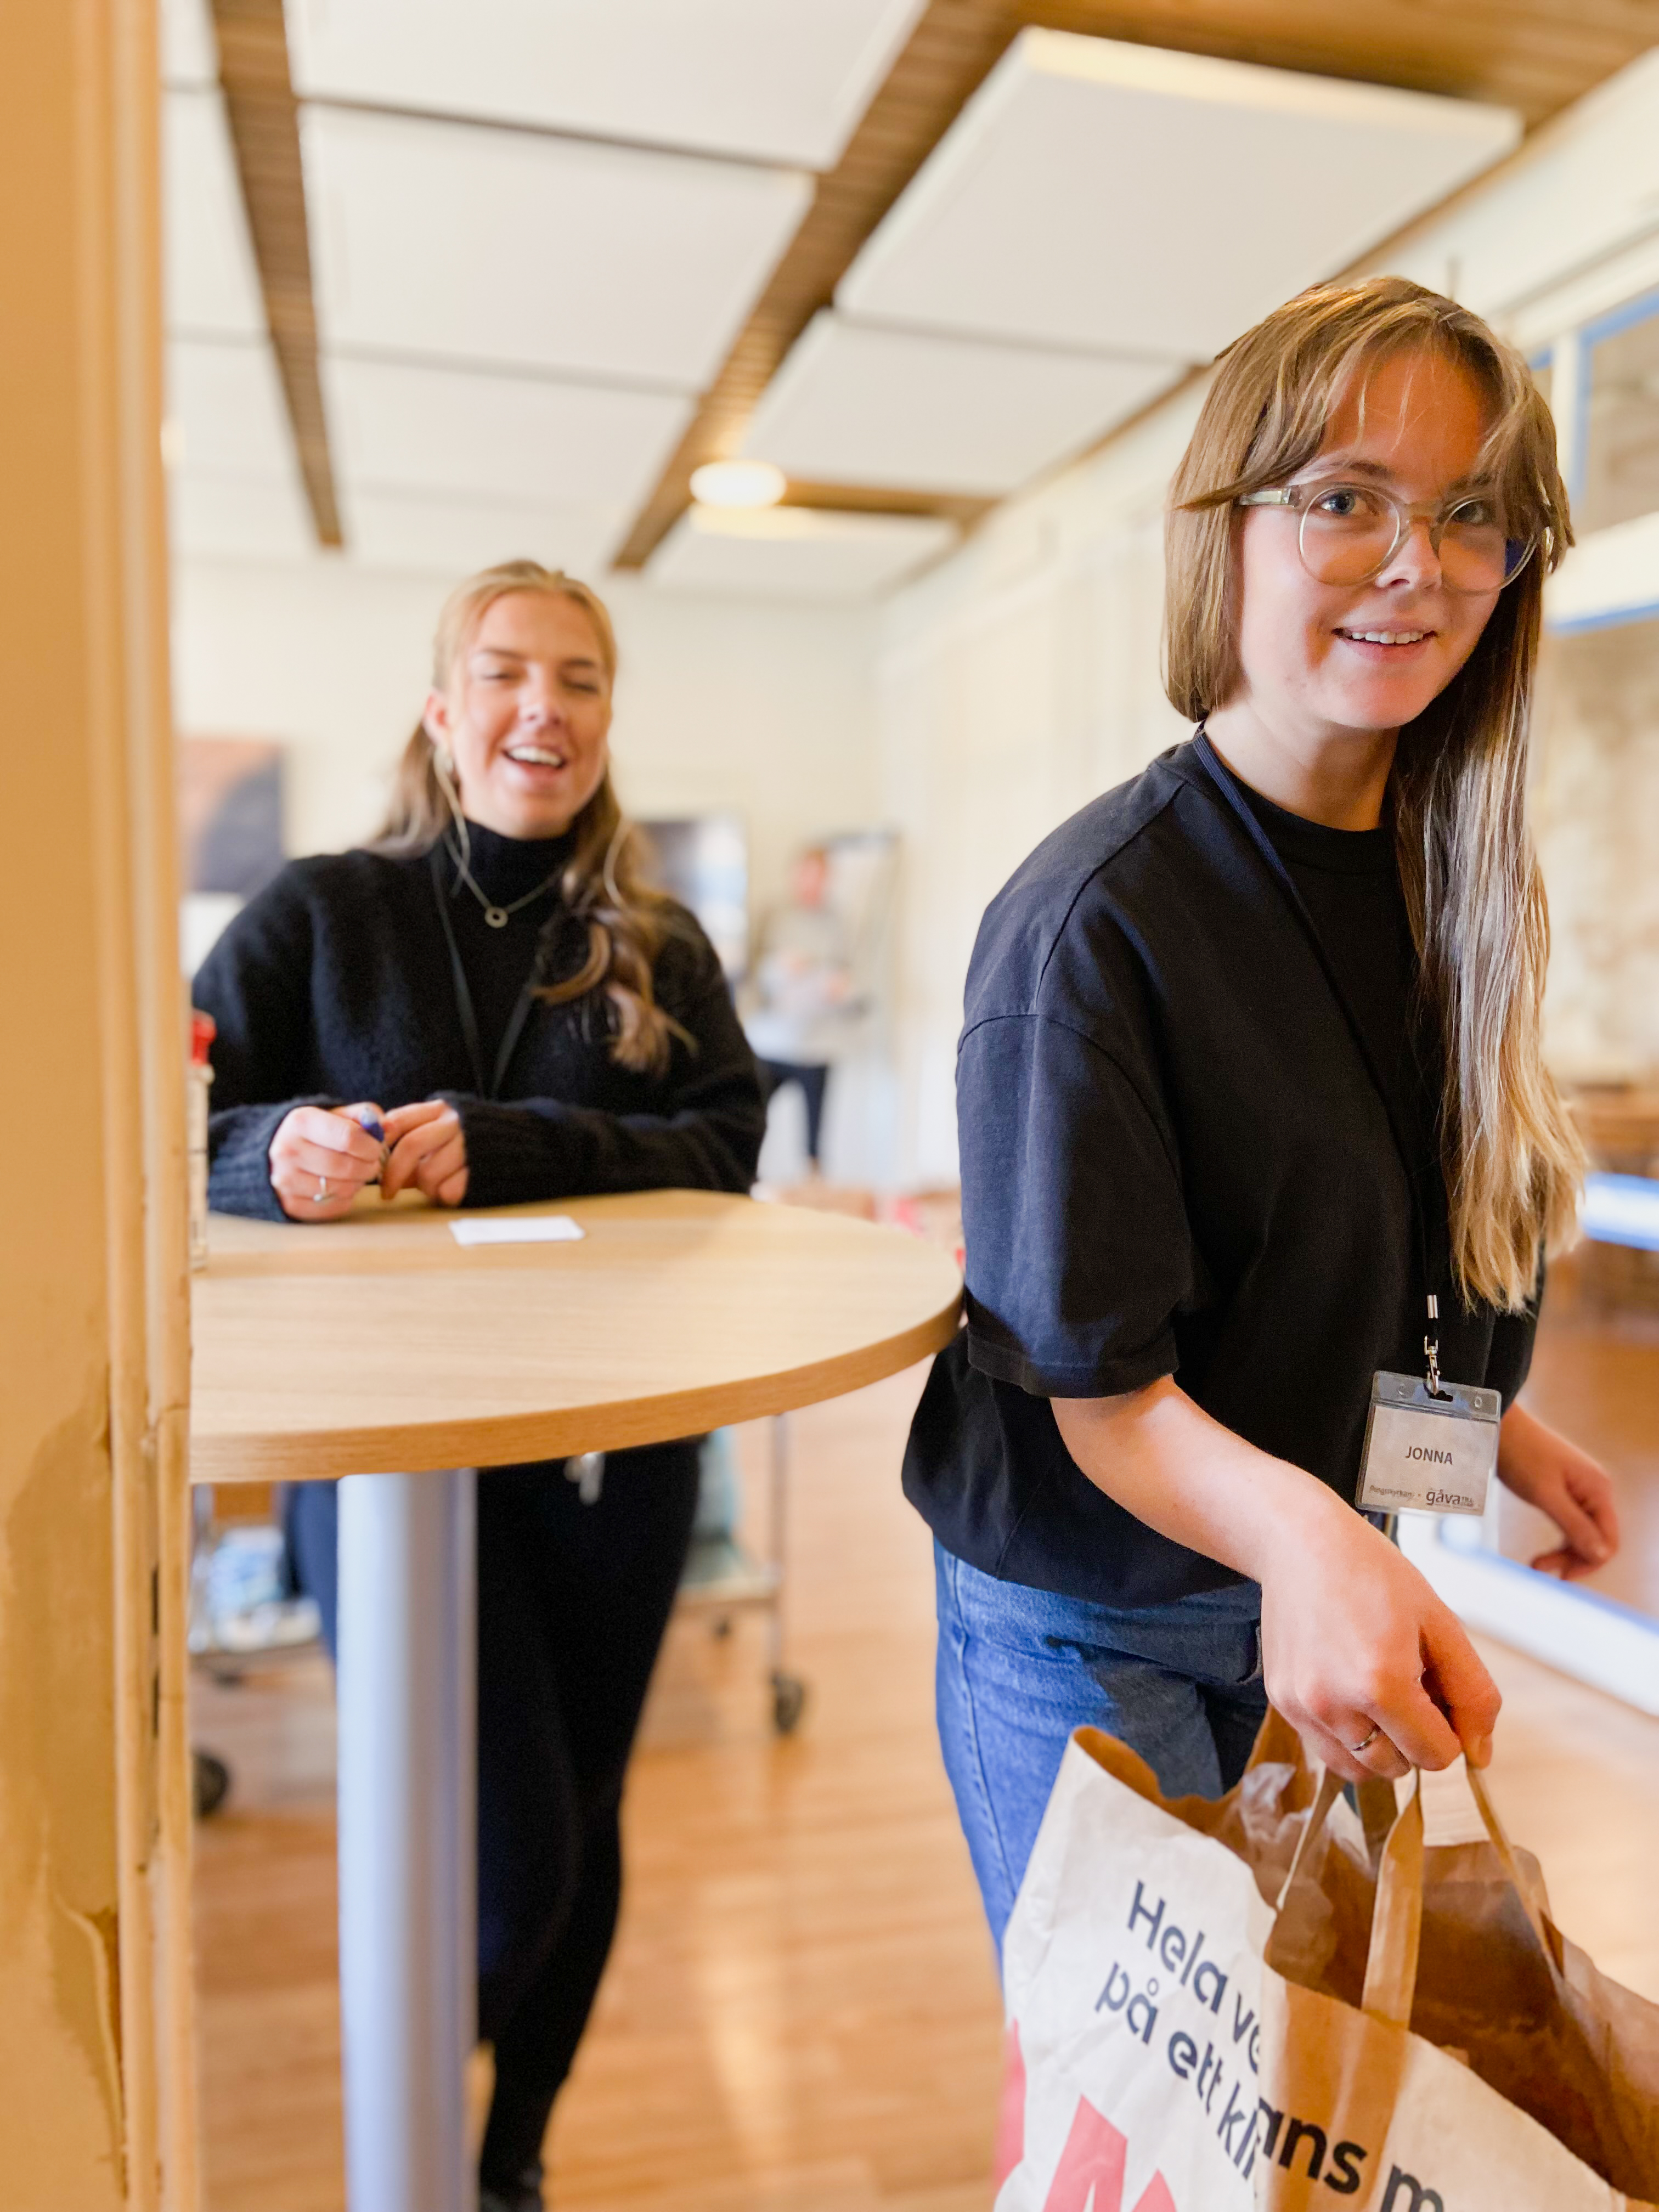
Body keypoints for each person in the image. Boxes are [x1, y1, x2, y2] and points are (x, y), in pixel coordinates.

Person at [902, 277, 1622, 1950]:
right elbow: (1100, 1389)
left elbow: (1342, 1222)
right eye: (1345, 500)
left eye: (1471, 519)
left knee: (1299, 2113)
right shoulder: (1092, 922)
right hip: (1096, 1619)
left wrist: (1492, 1423)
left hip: (1316, 1592)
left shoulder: (1457, 883)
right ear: (1223, 532)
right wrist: (1311, 1535)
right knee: (1161, 2122)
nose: (1415, 563)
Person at [194, 560, 766, 2209]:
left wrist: (517, 1147)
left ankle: (505, 2159)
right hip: (385, 1474)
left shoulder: (649, 940)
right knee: (516, 1867)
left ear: (605, 717)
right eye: (507, 674)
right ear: (443, 711)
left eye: (580, 680)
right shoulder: (319, 910)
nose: (545, 709)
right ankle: (408, 2147)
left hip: (616, 1456)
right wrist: (269, 1151)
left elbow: (726, 1144)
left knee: (580, 1832)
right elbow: (170, 1121)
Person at [744, 844, 857, 1172]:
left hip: (817, 1044)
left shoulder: (838, 922)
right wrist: (780, 968)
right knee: (752, 1122)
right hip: (771, 1043)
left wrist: (839, 988)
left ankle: (814, 1188)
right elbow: (752, 975)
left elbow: (849, 979)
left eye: (821, 877)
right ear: (795, 875)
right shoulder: (774, 915)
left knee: (814, 1141)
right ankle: (745, 1181)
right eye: (807, 875)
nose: (813, 884)